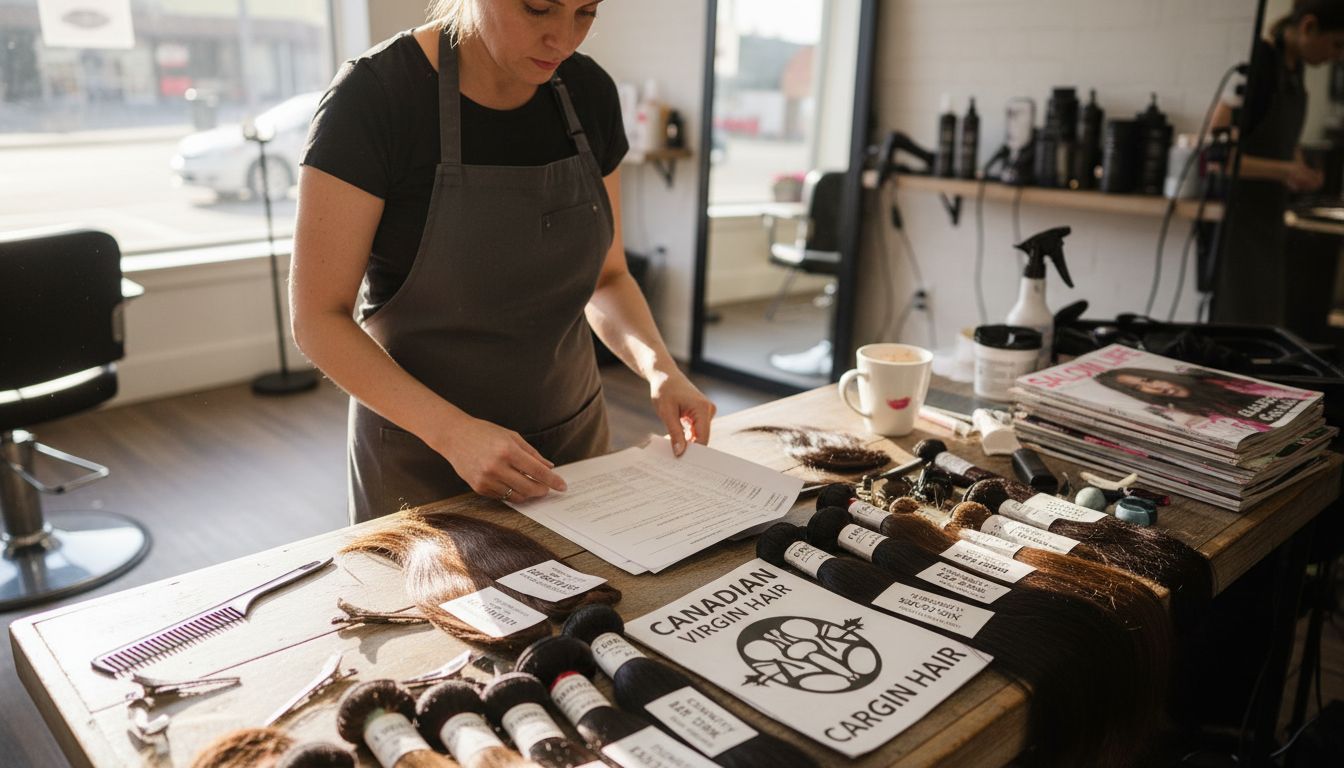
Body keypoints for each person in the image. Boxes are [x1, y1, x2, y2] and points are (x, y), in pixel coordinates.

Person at [291, 0, 715, 523]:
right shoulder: (376, 98)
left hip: (571, 450)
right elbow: (318, 318)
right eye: (539, 9)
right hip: (422, 458)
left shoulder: (589, 94)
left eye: (586, 12)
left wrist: (661, 370)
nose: (564, 40)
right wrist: (453, 433)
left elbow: (607, 278)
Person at [1210, 0, 1344, 325]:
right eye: (1337, 43)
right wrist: (1287, 170)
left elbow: (1280, 137)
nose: (1338, 55)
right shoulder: (1259, 66)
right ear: (1308, 26)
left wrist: (1297, 164)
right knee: (1239, 325)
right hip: (1240, 227)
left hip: (1270, 222)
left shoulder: (1294, 71)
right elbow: (1219, 158)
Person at [1094, 367, 1311, 433]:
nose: (1153, 387)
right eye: (1139, 388)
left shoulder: (1222, 382)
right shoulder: (1188, 417)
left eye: (1149, 379)